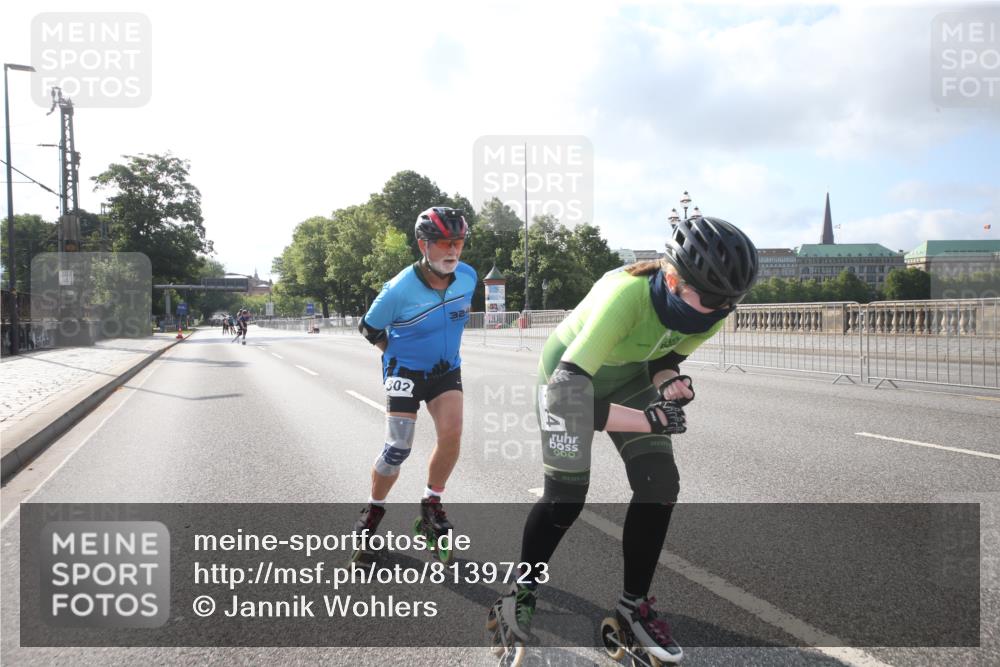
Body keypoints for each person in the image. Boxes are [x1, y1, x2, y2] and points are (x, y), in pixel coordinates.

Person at [495, 216, 759, 663]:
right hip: (569, 379)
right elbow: (567, 399)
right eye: (713, 298)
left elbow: (666, 359)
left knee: (660, 484)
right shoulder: (626, 296)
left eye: (732, 301)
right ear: (673, 279)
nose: (721, 309)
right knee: (566, 500)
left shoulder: (715, 311)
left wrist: (672, 383)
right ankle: (521, 589)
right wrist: (649, 421)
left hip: (627, 376)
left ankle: (633, 605)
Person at [353, 207, 475, 550]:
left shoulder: (468, 276)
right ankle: (373, 510)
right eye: (444, 243)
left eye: (459, 242)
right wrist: (394, 354)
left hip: (445, 370)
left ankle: (431, 504)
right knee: (397, 449)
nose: (453, 250)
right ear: (423, 244)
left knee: (452, 433)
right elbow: (368, 327)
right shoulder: (398, 290)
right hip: (404, 371)